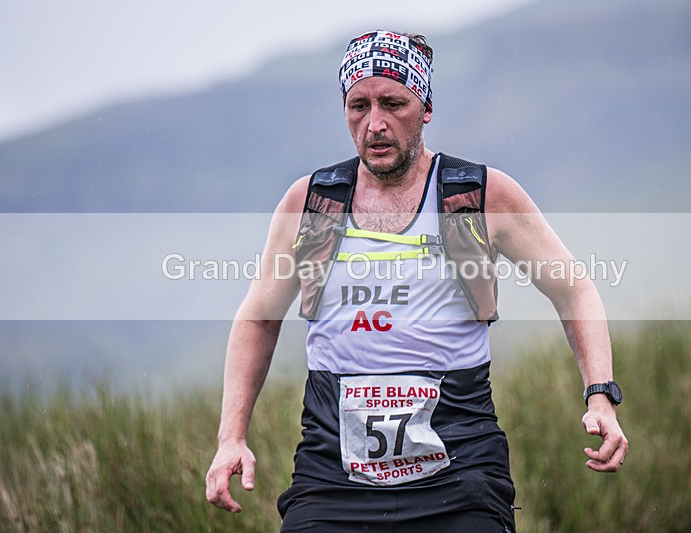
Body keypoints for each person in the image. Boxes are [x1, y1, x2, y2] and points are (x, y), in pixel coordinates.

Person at [205, 30, 628, 532]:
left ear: (426, 107)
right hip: (333, 480)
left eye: (393, 103)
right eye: (358, 106)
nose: (375, 123)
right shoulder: (313, 202)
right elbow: (259, 317)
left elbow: (573, 289)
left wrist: (600, 395)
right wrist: (231, 438)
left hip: (460, 476)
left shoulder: (478, 195)